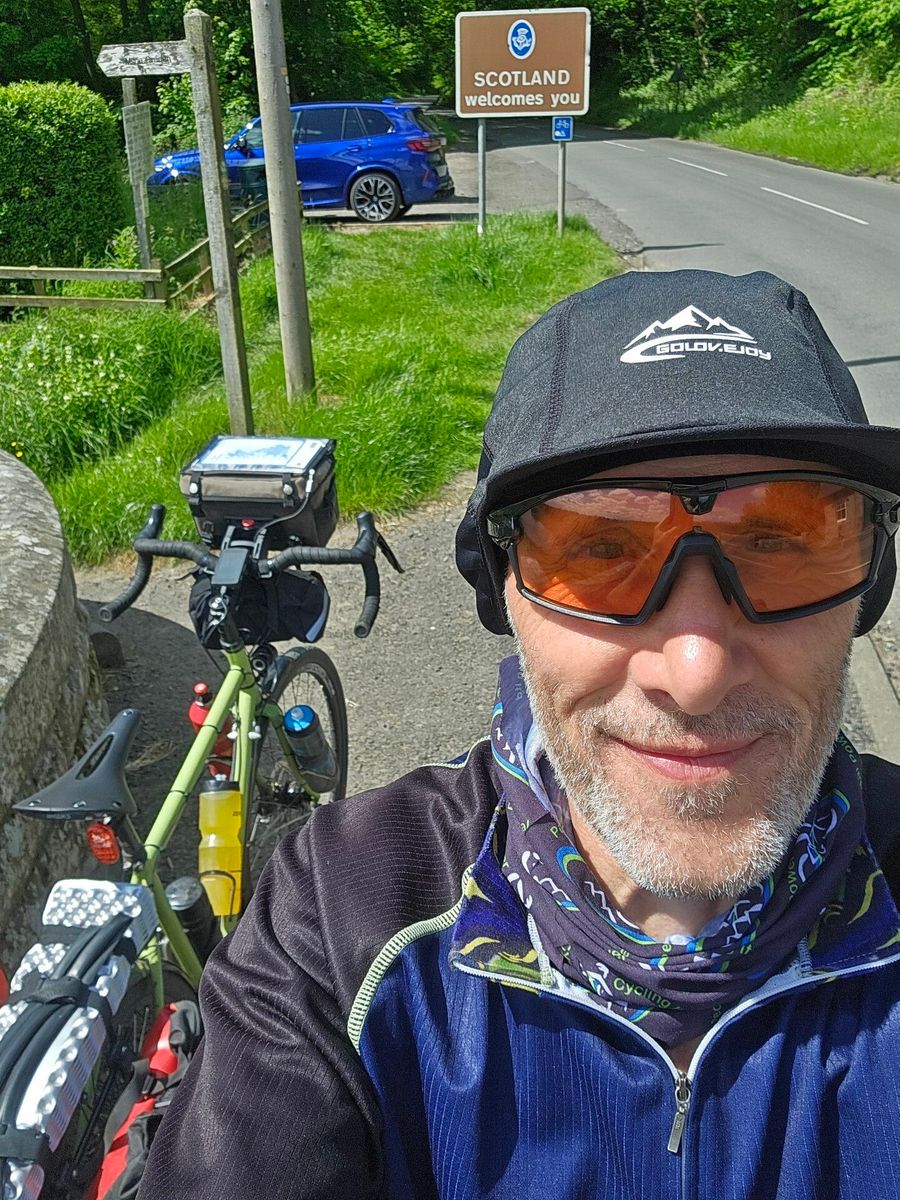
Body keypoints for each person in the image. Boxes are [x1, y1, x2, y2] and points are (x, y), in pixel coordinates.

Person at [139, 269, 900, 1199]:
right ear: (504, 589)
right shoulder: (344, 919)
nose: (696, 672)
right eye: (601, 549)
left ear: (871, 582)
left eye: (779, 543)